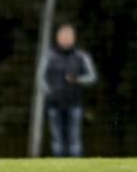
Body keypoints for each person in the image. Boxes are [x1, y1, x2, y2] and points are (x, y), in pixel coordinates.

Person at [39, 23, 97, 157]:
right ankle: (58, 170)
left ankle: (76, 170)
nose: (65, 39)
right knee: (57, 140)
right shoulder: (49, 56)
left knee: (74, 139)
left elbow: (92, 77)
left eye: (68, 36)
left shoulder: (81, 56)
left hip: (75, 103)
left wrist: (77, 79)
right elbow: (40, 79)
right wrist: (49, 93)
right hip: (54, 104)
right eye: (63, 36)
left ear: (74, 38)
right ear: (57, 37)